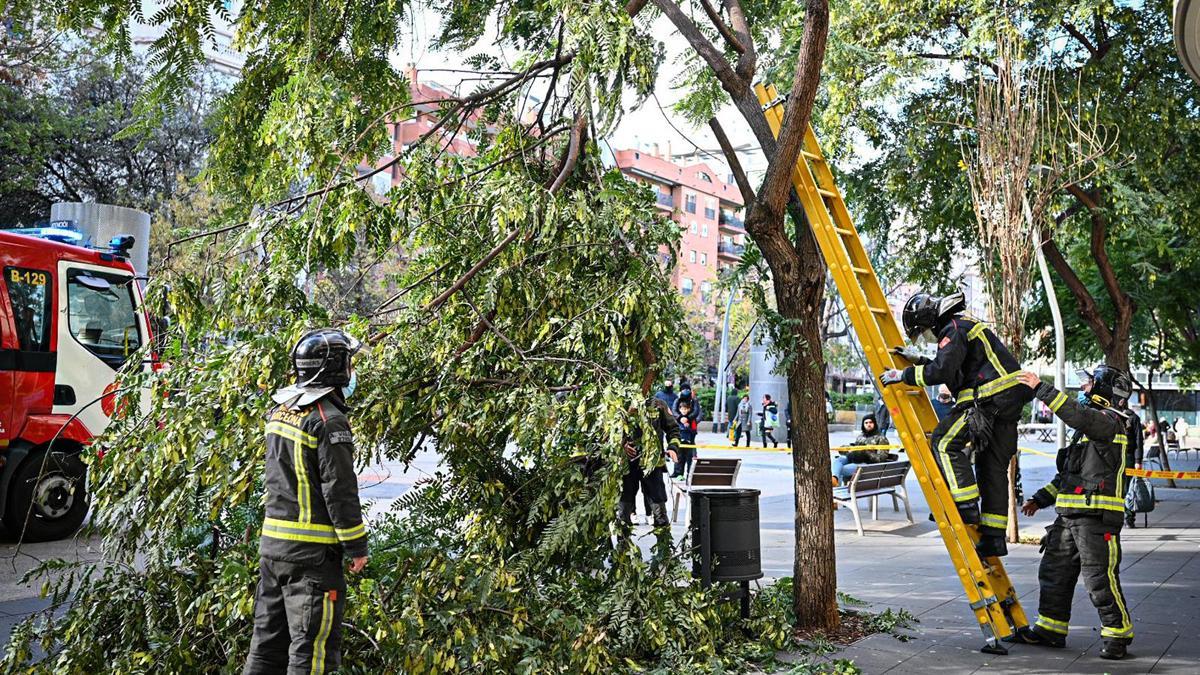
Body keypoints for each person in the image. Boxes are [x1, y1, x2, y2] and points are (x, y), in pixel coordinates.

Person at [244, 329, 369, 675]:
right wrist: (356, 547)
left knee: (266, 648)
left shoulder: (280, 412)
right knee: (311, 654)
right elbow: (339, 489)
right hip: (311, 561)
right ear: (338, 369)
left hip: (273, 552)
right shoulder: (328, 421)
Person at [880, 291, 1032, 558]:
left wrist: (900, 374)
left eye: (924, 331)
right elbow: (955, 369)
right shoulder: (965, 327)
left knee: (943, 441)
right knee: (991, 469)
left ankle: (965, 505)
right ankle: (994, 537)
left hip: (989, 399)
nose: (927, 337)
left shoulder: (954, 329)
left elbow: (942, 371)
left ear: (931, 320)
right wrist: (918, 361)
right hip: (1006, 404)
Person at [1006, 366, 1135, 660]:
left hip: (1096, 519)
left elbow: (1077, 414)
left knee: (1099, 579)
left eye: (1089, 384)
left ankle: (1118, 635)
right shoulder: (1088, 430)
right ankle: (1050, 630)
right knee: (1054, 573)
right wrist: (1040, 499)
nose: (1084, 389)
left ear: (1105, 391)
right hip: (1069, 517)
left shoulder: (1110, 423)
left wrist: (1042, 388)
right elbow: (1069, 475)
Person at [618, 397, 682, 548]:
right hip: (628, 467)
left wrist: (673, 448)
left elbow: (673, 429)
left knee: (659, 510)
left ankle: (664, 549)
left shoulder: (658, 404)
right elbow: (609, 432)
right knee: (623, 511)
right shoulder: (620, 401)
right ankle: (622, 550)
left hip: (652, 466)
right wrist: (622, 445)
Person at [831, 414, 894, 485]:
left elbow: (880, 459)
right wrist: (847, 449)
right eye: (866, 423)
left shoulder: (881, 438)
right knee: (837, 461)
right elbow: (855, 451)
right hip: (855, 460)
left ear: (875, 424)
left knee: (839, 470)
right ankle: (835, 480)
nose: (868, 424)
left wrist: (866, 452)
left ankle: (837, 488)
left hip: (868, 465)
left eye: (871, 422)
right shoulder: (860, 436)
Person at [672, 399, 699, 478]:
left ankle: (689, 474)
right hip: (680, 442)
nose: (684, 411)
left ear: (689, 409)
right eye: (682, 409)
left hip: (689, 442)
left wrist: (688, 427)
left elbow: (694, 431)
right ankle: (679, 473)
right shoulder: (677, 419)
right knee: (679, 458)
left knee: (689, 459)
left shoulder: (691, 419)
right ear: (679, 409)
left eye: (685, 409)